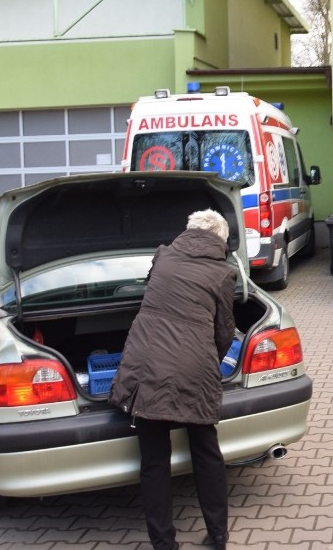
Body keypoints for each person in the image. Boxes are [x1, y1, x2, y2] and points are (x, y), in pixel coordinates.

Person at [109, 209, 235, 550]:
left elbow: (155, 297)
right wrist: (210, 357)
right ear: (220, 239)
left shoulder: (162, 256)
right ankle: (218, 537)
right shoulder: (223, 273)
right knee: (206, 452)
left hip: (146, 365)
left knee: (153, 461)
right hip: (195, 370)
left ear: (189, 231)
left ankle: (164, 543)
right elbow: (224, 332)